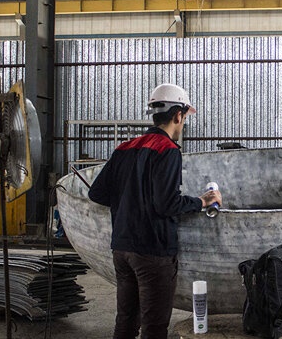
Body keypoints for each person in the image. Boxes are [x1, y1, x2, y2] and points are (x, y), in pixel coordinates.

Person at [88, 83, 222, 339]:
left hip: (122, 249)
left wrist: (129, 202)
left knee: (126, 321)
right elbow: (167, 205)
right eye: (184, 118)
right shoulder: (168, 151)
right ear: (178, 115)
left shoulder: (124, 148)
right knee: (154, 326)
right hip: (152, 252)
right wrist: (201, 201)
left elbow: (96, 193)